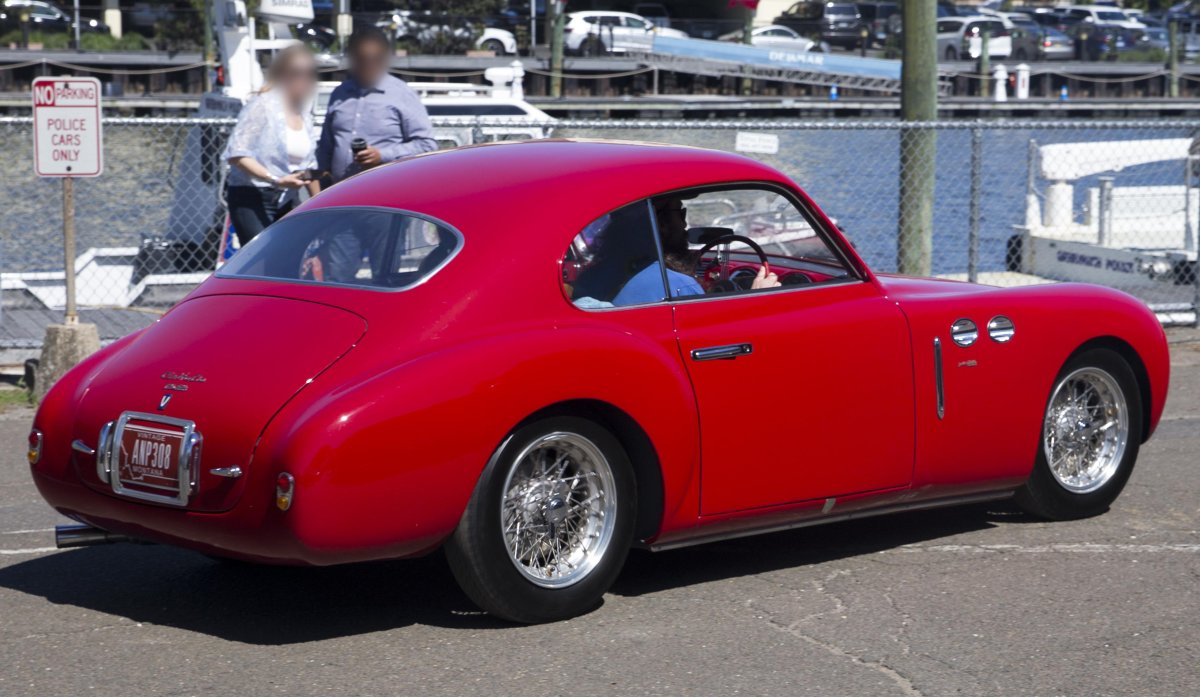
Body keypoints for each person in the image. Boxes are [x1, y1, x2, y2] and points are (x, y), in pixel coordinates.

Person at [223, 44, 319, 246]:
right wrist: (276, 179)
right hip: (253, 196)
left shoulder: (302, 111)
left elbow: (309, 166)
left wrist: (320, 202)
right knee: (261, 263)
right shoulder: (263, 105)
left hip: (287, 198)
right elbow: (237, 154)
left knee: (289, 261)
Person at [315, 26, 437, 185]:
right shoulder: (339, 94)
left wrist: (382, 155)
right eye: (361, 58)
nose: (368, 64)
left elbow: (427, 146)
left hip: (384, 193)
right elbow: (327, 147)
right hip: (341, 194)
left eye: (373, 58)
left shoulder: (402, 94)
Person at [611, 195, 779, 306]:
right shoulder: (679, 287)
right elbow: (715, 343)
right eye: (681, 214)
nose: (685, 225)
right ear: (661, 225)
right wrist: (756, 300)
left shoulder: (612, 269)